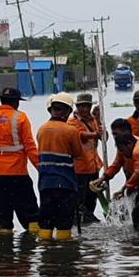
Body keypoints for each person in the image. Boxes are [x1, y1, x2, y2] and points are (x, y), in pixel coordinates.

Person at [0, 87, 40, 236]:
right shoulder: (21, 118)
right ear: (16, 102)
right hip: (18, 175)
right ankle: (34, 248)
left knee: (3, 218)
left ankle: (4, 253)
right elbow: (31, 148)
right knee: (31, 215)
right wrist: (42, 169)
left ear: (1, 100)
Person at [36, 93, 84, 241]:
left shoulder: (41, 129)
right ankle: (63, 255)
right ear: (67, 112)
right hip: (65, 183)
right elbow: (78, 154)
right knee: (64, 222)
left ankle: (46, 253)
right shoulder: (71, 131)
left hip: (45, 183)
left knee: (46, 221)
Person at [92, 118, 139, 201]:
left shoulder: (138, 149)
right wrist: (103, 178)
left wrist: (124, 188)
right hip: (134, 178)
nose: (114, 137)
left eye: (116, 134)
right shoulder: (122, 146)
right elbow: (117, 164)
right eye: (113, 134)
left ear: (126, 133)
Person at [67, 93, 104, 224]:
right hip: (80, 169)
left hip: (94, 167)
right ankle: (80, 224)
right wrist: (95, 134)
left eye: (86, 106)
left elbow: (103, 137)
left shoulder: (93, 120)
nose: (83, 109)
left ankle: (88, 225)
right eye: (81, 106)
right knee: (80, 202)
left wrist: (99, 122)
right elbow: (79, 135)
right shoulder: (72, 122)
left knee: (91, 200)